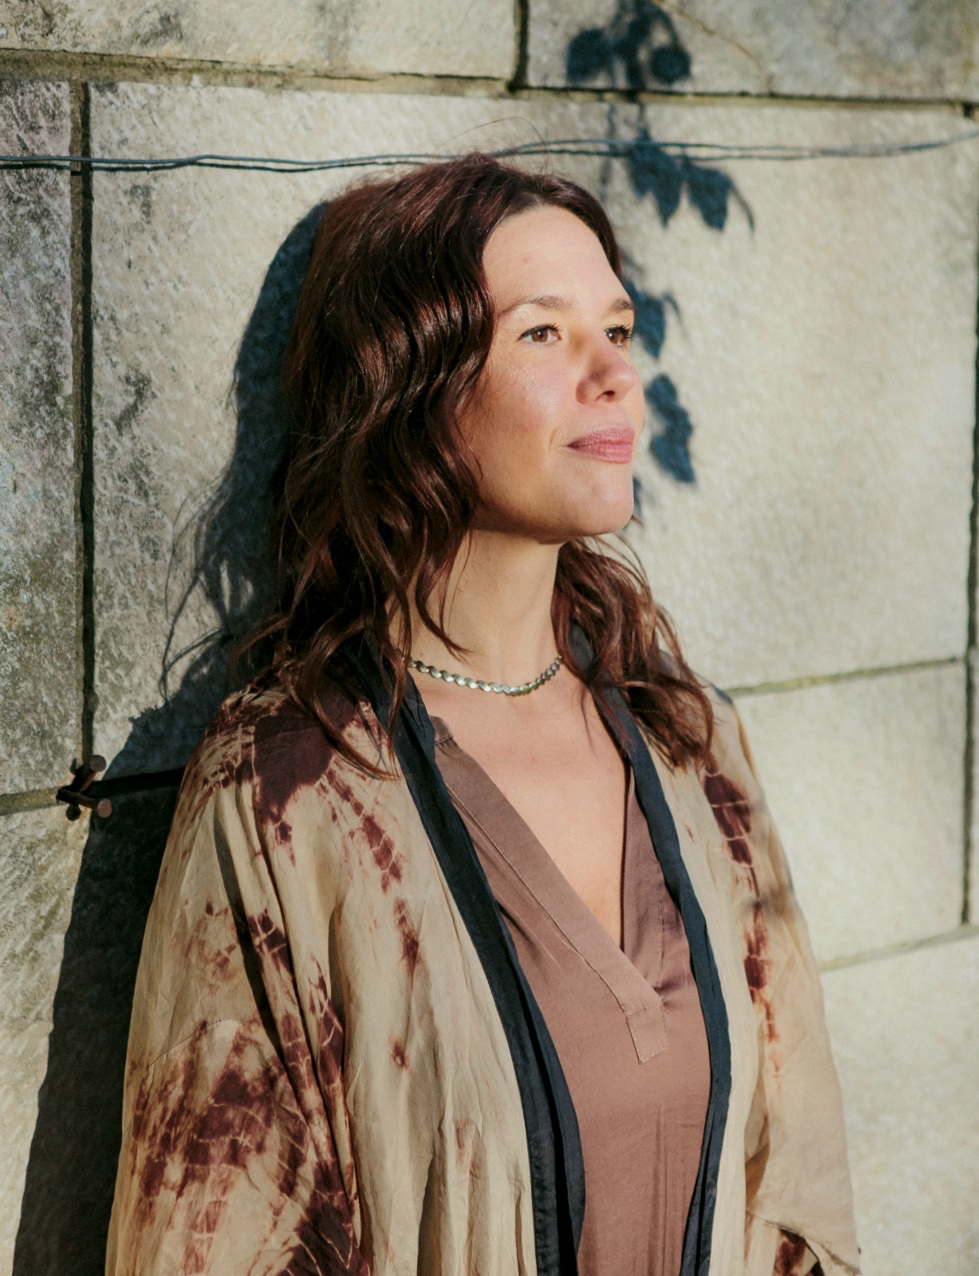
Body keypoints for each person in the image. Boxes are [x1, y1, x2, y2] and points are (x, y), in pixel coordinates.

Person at [107, 154, 860, 1276]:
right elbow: (219, 1232)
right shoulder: (292, 788)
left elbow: (798, 1188)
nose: (613, 374)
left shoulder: (690, 744)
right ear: (412, 386)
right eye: (543, 333)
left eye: (618, 329)